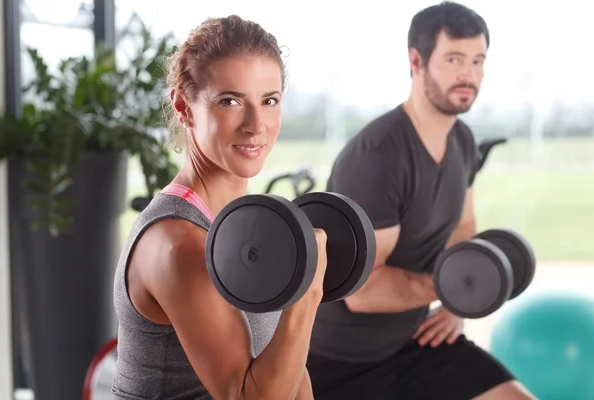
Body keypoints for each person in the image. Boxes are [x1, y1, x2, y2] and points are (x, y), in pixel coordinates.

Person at [306, 2, 536, 399]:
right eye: (454, 59)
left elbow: (463, 228)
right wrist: (460, 288)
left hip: (415, 342)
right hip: (340, 363)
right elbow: (363, 292)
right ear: (416, 60)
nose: (469, 74)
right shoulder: (378, 157)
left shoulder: (462, 141)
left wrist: (457, 305)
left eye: (478, 61)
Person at [111, 15, 327, 400]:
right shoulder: (179, 242)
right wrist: (307, 292)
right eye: (230, 101)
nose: (256, 125)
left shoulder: (243, 228)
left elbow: (289, 370)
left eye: (269, 101)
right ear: (184, 107)